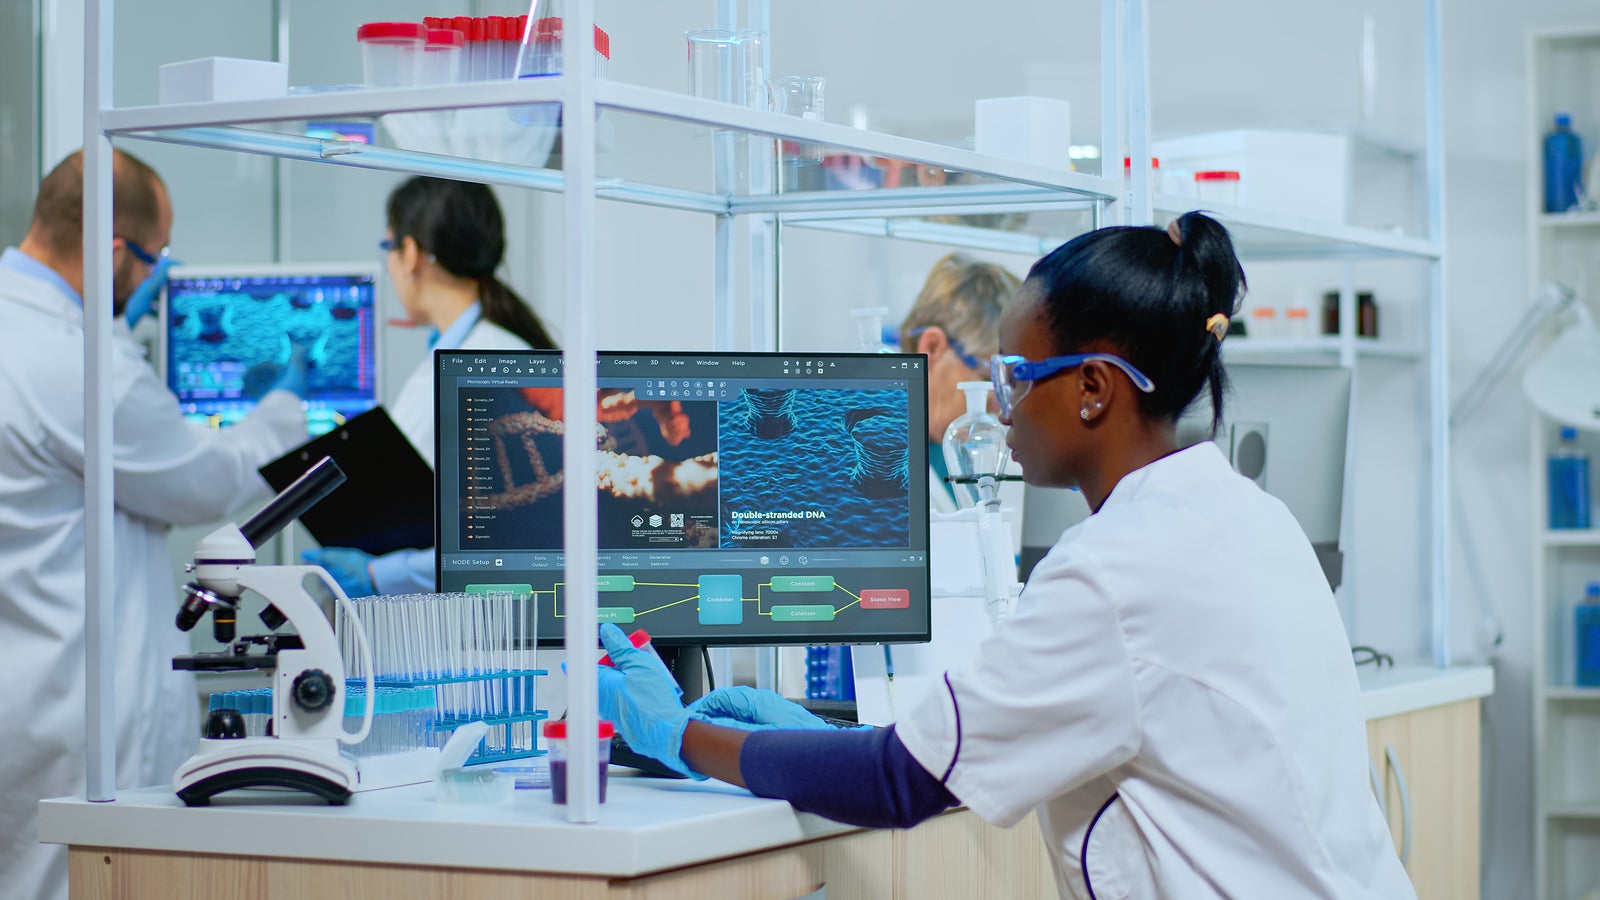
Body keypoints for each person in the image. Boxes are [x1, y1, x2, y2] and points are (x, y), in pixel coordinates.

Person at [596, 212, 1414, 898]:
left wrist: (676, 736)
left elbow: (901, 781)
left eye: (1018, 377)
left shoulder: (1114, 570)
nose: (1002, 406)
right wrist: (813, 733)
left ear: (1094, 388)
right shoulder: (1247, 514)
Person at [0, 149, 309, 900]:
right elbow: (206, 482)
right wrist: (286, 408)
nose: (154, 277)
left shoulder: (46, 337)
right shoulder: (78, 364)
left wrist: (116, 339)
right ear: (112, 250)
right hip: (79, 698)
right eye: (153, 257)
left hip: (27, 680)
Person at [303, 176, 557, 597]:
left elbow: (507, 532)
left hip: (473, 626)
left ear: (411, 254)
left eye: (388, 248)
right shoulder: (464, 352)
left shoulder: (489, 359)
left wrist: (381, 575)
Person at [897, 253, 1021, 512]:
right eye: (988, 378)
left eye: (1009, 384)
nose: (1000, 405)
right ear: (932, 346)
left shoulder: (959, 452)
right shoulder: (869, 454)